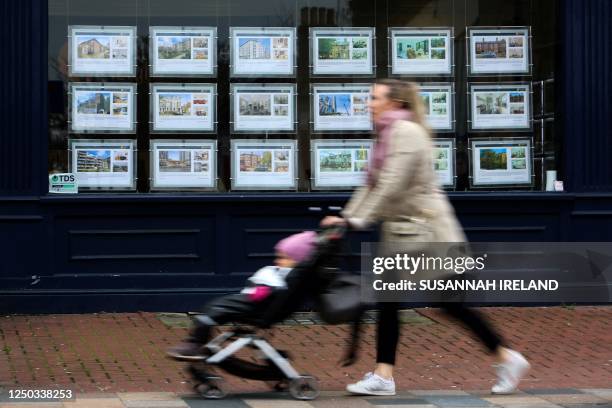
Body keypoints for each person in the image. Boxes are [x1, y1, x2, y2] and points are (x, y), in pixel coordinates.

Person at [321, 79, 530, 396]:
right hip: (403, 232)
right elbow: (371, 184)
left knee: (448, 304)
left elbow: (391, 184)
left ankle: (507, 356)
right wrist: (347, 217)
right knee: (392, 301)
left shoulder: (407, 133)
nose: (368, 103)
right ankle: (383, 376)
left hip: (427, 233)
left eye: (374, 97)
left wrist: (356, 221)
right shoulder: (387, 134)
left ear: (394, 102)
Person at [167, 231, 317, 361]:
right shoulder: (286, 274)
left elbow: (276, 291)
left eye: (283, 257)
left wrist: (264, 290)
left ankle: (195, 343)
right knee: (213, 308)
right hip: (255, 304)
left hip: (257, 308)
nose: (277, 261)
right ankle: (196, 342)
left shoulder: (292, 278)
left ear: (298, 261)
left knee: (213, 312)